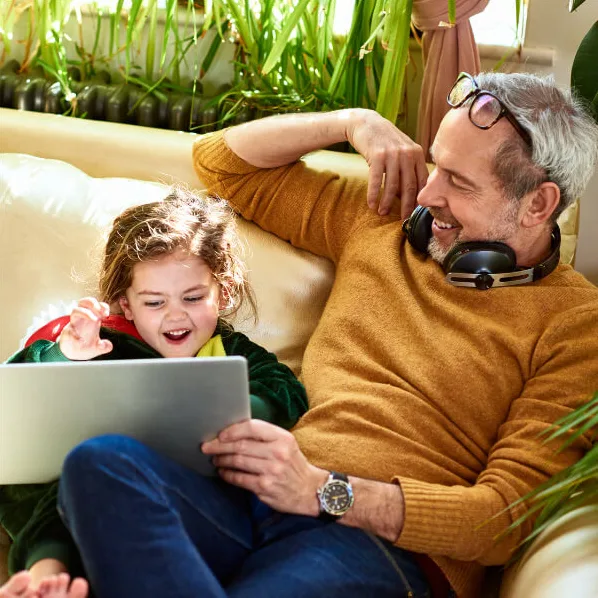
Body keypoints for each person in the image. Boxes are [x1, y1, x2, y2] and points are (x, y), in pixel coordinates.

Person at [53, 72, 598, 598]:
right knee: (97, 464)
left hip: (378, 545)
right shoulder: (383, 221)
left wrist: (324, 490)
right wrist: (353, 122)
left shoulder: (578, 325)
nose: (429, 193)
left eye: (458, 181)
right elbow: (222, 166)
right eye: (436, 165)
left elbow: (503, 519)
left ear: (538, 204)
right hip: (254, 498)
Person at [0, 189, 308, 598]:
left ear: (224, 292)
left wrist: (235, 414)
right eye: (154, 302)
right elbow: (19, 392)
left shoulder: (233, 353)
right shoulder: (103, 345)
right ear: (125, 305)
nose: (176, 315)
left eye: (194, 298)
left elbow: (285, 387)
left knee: (99, 466)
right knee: (57, 459)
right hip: (86, 503)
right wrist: (67, 354)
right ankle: (47, 569)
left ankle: (57, 572)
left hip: (192, 506)